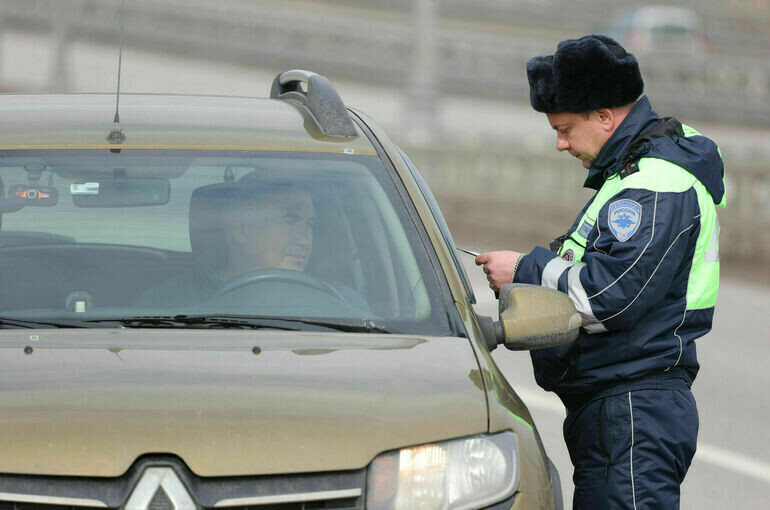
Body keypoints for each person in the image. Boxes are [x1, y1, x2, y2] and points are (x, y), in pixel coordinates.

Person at [476, 34, 725, 508]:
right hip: (620, 412)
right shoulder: (633, 176)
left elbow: (605, 297)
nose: (560, 143)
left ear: (606, 116)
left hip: (632, 412)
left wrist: (525, 268)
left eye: (566, 129)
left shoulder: (655, 184)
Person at [139, 181, 366, 309]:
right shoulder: (167, 304)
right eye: (290, 221)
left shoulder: (343, 303)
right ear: (241, 229)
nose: (305, 239)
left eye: (310, 225)